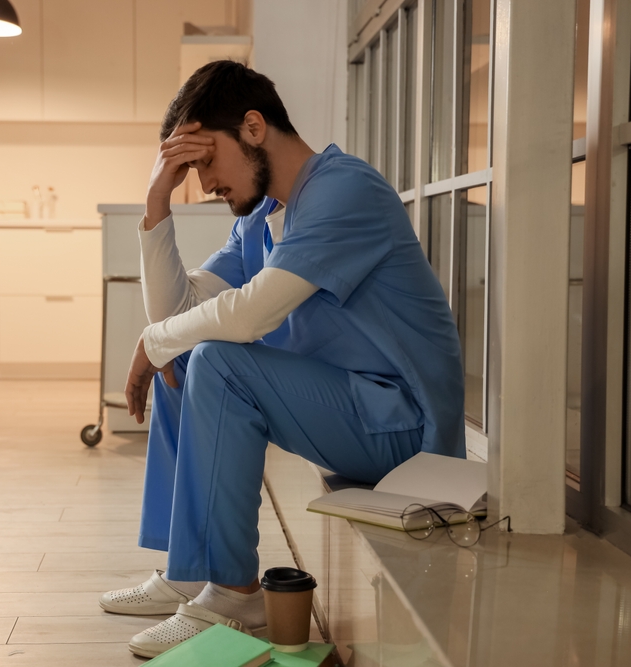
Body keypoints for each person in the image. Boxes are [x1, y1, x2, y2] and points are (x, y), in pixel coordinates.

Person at [99, 60, 465, 659]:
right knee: (185, 358)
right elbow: (179, 310)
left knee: (213, 357)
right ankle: (191, 572)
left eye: (205, 160)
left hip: (408, 433)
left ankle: (237, 593)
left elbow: (248, 316)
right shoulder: (264, 218)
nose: (206, 183)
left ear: (252, 127)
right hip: (352, 411)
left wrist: (159, 337)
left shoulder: (345, 189)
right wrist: (155, 198)